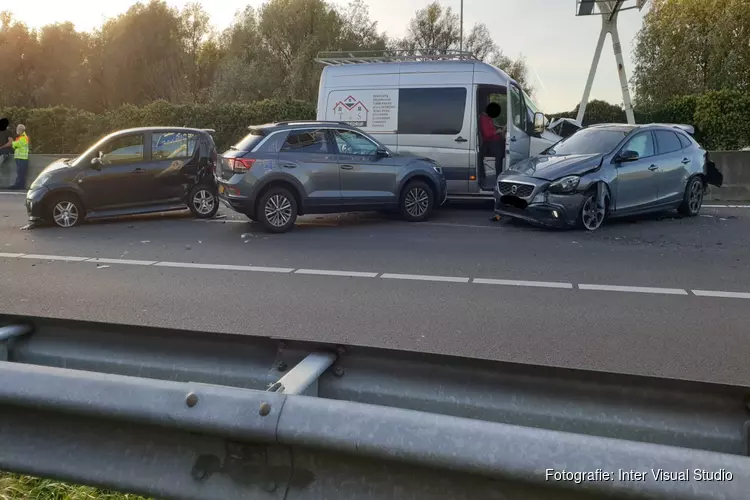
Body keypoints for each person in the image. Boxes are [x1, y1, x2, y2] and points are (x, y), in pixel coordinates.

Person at [479, 102, 506, 221]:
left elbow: (492, 128)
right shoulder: (484, 118)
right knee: (499, 155)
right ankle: (498, 176)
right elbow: (487, 133)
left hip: (493, 141)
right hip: (489, 143)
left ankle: (500, 174)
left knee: (502, 148)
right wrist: (499, 132)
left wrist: (500, 128)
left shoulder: (488, 118)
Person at [10, 124, 29, 190]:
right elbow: (15, 145)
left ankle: (19, 186)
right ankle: (19, 185)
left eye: (17, 129)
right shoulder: (20, 137)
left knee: (21, 172)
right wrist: (14, 144)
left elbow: (17, 144)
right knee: (20, 172)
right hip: (19, 158)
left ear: (21, 130)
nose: (16, 130)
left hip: (22, 158)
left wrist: (13, 143)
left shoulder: (24, 137)